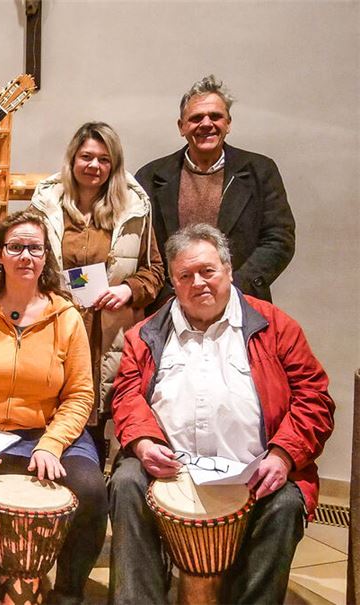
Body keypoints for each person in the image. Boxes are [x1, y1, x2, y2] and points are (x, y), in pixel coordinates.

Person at [108, 223, 334, 604]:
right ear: (174, 283)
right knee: (126, 480)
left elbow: (314, 399)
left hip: (255, 470)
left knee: (287, 503)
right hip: (169, 472)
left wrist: (282, 456)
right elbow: (126, 395)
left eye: (208, 271)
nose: (198, 283)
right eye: (185, 275)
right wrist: (144, 442)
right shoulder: (144, 334)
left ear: (228, 271)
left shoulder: (276, 327)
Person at [0, 209, 107, 604]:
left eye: (35, 248)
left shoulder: (67, 317)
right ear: (0, 255)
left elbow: (81, 394)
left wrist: (52, 443)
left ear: (46, 256)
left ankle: (68, 592)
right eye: (16, 247)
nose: (25, 256)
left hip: (47, 432)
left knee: (92, 489)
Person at [30, 122, 164, 464]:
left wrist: (128, 289)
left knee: (99, 419)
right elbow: (28, 261)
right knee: (54, 411)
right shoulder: (47, 204)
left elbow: (155, 272)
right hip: (57, 325)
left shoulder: (134, 207)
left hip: (109, 333)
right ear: (73, 159)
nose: (94, 166)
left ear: (114, 165)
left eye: (104, 159)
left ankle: (93, 489)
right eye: (87, 157)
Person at [135, 75, 294, 311]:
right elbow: (142, 250)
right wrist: (174, 294)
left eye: (216, 116)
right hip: (170, 307)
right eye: (196, 118)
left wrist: (234, 288)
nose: (206, 124)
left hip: (242, 303)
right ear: (181, 127)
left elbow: (279, 239)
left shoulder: (261, 172)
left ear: (228, 123)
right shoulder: (150, 177)